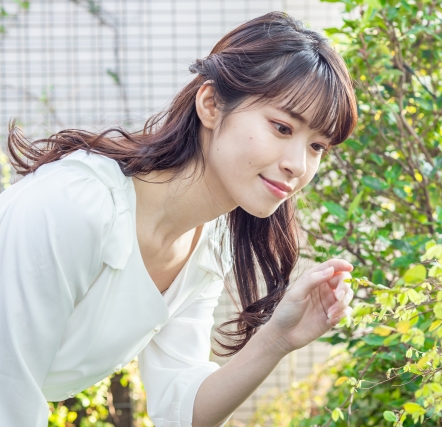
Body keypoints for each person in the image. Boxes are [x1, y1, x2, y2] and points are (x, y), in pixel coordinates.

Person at [0, 11, 358, 427]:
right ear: (210, 104)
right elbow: (9, 396)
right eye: (281, 127)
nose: (298, 164)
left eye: (317, 146)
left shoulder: (207, 242)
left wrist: (278, 339)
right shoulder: (75, 207)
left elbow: (181, 408)